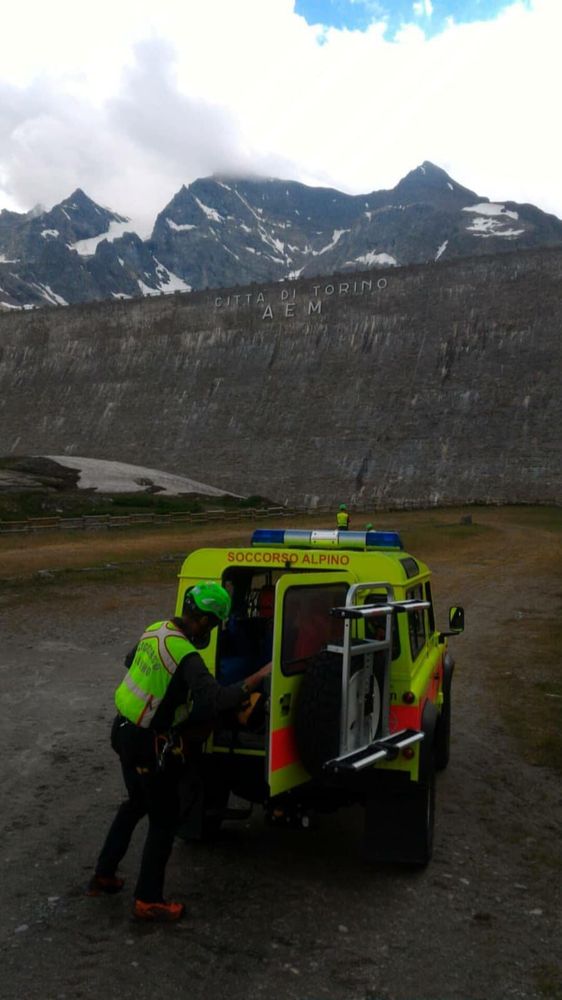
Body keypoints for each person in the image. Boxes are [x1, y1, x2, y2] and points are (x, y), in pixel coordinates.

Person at [87, 581, 271, 923]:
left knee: (134, 804)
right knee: (164, 819)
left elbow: (133, 662)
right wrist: (257, 677)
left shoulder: (155, 630)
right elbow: (216, 698)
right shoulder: (185, 654)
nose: (211, 631)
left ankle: (103, 874)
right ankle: (148, 899)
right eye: (212, 624)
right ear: (202, 620)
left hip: (123, 730)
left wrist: (172, 695)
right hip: (148, 744)